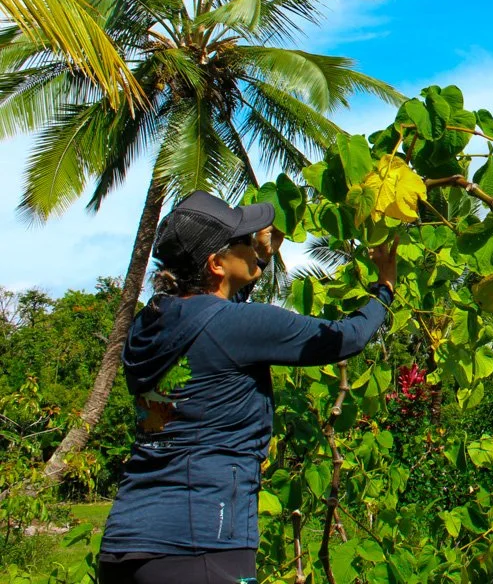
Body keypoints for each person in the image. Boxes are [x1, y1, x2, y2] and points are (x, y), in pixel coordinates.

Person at [97, 191, 396, 584]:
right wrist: (385, 287)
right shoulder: (236, 326)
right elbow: (347, 337)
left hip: (125, 544)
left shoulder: (148, 325)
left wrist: (260, 257)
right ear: (216, 264)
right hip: (199, 545)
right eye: (243, 241)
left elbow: (212, 319)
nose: (254, 243)